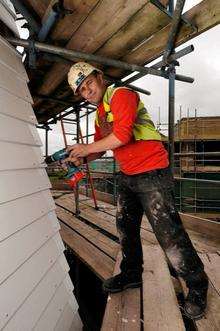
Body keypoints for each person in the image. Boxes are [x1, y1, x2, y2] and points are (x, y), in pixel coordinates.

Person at [66, 61, 208, 320]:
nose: (88, 92)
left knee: (168, 234)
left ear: (100, 77)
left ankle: (198, 285)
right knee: (125, 227)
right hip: (128, 174)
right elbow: (100, 147)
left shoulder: (121, 94)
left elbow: (122, 136)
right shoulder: (100, 113)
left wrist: (84, 148)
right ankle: (132, 274)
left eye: (89, 84)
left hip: (152, 170)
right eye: (83, 91)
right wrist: (81, 157)